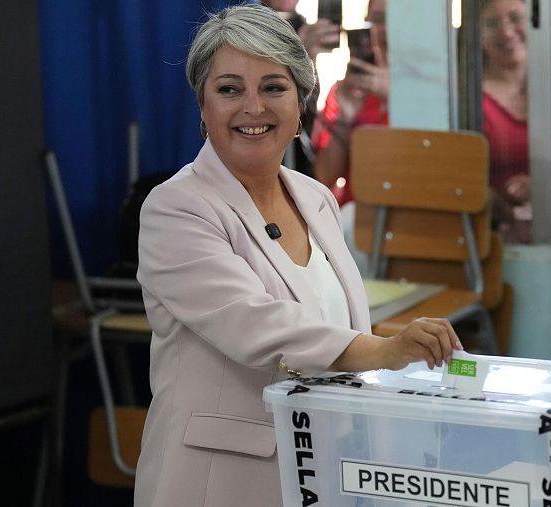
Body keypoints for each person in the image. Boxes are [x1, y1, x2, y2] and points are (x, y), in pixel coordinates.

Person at [133, 6, 462, 506]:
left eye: (273, 87)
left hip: (323, 470)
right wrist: (385, 350)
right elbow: (258, 326)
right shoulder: (175, 208)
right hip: (217, 482)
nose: (253, 107)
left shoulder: (317, 198)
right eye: (229, 89)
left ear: (301, 99)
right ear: (202, 106)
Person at [311, 0, 389, 206]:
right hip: (359, 215)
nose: (386, 30)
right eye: (378, 21)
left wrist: (396, 97)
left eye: (397, 21)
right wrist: (344, 118)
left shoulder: (437, 91)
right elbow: (324, 177)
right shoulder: (348, 90)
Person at [261, 0, 340, 178]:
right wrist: (299, 54)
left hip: (294, 162)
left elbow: (305, 108)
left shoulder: (300, 24)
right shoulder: (245, 23)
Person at [480, 0, 531, 243]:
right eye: (492, 23)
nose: (506, 30)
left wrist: (544, 189)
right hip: (494, 237)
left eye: (514, 17)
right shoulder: (468, 98)